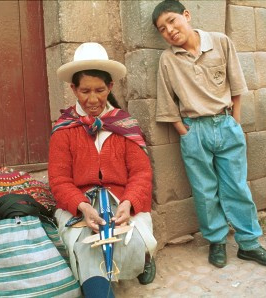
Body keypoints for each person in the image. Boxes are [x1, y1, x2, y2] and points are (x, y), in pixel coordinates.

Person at [152, 0, 266, 268]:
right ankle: (217, 241)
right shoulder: (168, 59)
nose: (170, 30)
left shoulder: (220, 42)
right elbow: (167, 102)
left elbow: (236, 84)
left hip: (225, 124)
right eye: (162, 29)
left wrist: (234, 121)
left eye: (172, 21)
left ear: (186, 16)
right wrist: (183, 131)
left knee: (236, 186)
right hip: (194, 130)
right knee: (204, 190)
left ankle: (249, 243)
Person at [48, 42, 157, 297]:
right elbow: (59, 179)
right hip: (81, 203)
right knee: (88, 246)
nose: (93, 99)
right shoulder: (64, 130)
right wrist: (82, 206)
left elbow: (141, 173)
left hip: (121, 200)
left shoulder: (124, 124)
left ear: (110, 87)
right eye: (85, 91)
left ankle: (143, 258)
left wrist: (129, 203)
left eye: (100, 90)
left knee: (133, 238)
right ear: (73, 89)